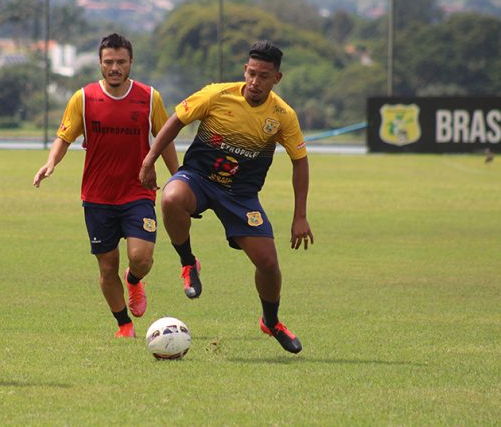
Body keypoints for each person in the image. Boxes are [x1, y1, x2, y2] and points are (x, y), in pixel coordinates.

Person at [139, 40, 313, 354]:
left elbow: (300, 161)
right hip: (199, 179)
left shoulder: (283, 115)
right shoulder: (216, 95)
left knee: (269, 264)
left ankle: (270, 321)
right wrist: (150, 159)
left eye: (264, 76)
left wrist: (300, 215)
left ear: (277, 79)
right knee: (171, 197)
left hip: (241, 195)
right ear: (245, 70)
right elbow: (175, 121)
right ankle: (188, 263)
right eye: (252, 73)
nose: (255, 82)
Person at [33, 33, 179, 338]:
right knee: (107, 266)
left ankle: (135, 279)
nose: (115, 67)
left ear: (130, 63)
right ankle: (124, 324)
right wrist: (51, 163)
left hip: (137, 191)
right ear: (100, 63)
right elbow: (63, 137)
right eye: (109, 62)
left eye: (121, 62)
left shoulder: (149, 97)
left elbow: (164, 139)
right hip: (98, 196)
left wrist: (178, 176)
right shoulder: (83, 98)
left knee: (141, 258)